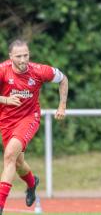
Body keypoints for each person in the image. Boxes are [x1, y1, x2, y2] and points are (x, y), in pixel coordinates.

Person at [0, 39, 68, 214]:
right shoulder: (2, 70)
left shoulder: (39, 71)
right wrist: (5, 99)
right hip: (7, 121)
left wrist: (62, 105)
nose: (23, 60)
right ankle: (32, 183)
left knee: (9, 157)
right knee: (18, 162)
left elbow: (63, 79)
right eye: (18, 56)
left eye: (26, 55)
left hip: (29, 118)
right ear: (10, 57)